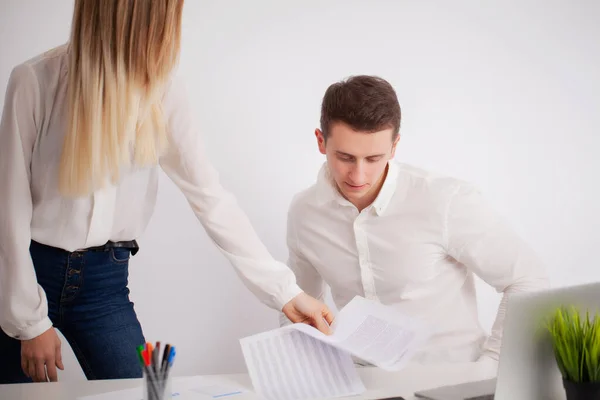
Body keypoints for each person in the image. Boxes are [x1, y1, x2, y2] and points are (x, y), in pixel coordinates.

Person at [0, 0, 333, 384]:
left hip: (104, 286)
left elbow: (210, 195)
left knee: (149, 392)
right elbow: (8, 211)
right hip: (27, 273)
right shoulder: (34, 80)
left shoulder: (164, 89)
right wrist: (28, 321)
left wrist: (286, 291)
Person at [279, 75, 550, 367]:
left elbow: (527, 279)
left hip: (451, 383)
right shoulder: (304, 213)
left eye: (373, 158)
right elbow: (297, 305)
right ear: (321, 141)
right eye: (345, 157)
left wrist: (491, 367)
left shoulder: (445, 200)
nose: (358, 176)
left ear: (394, 147)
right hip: (363, 384)